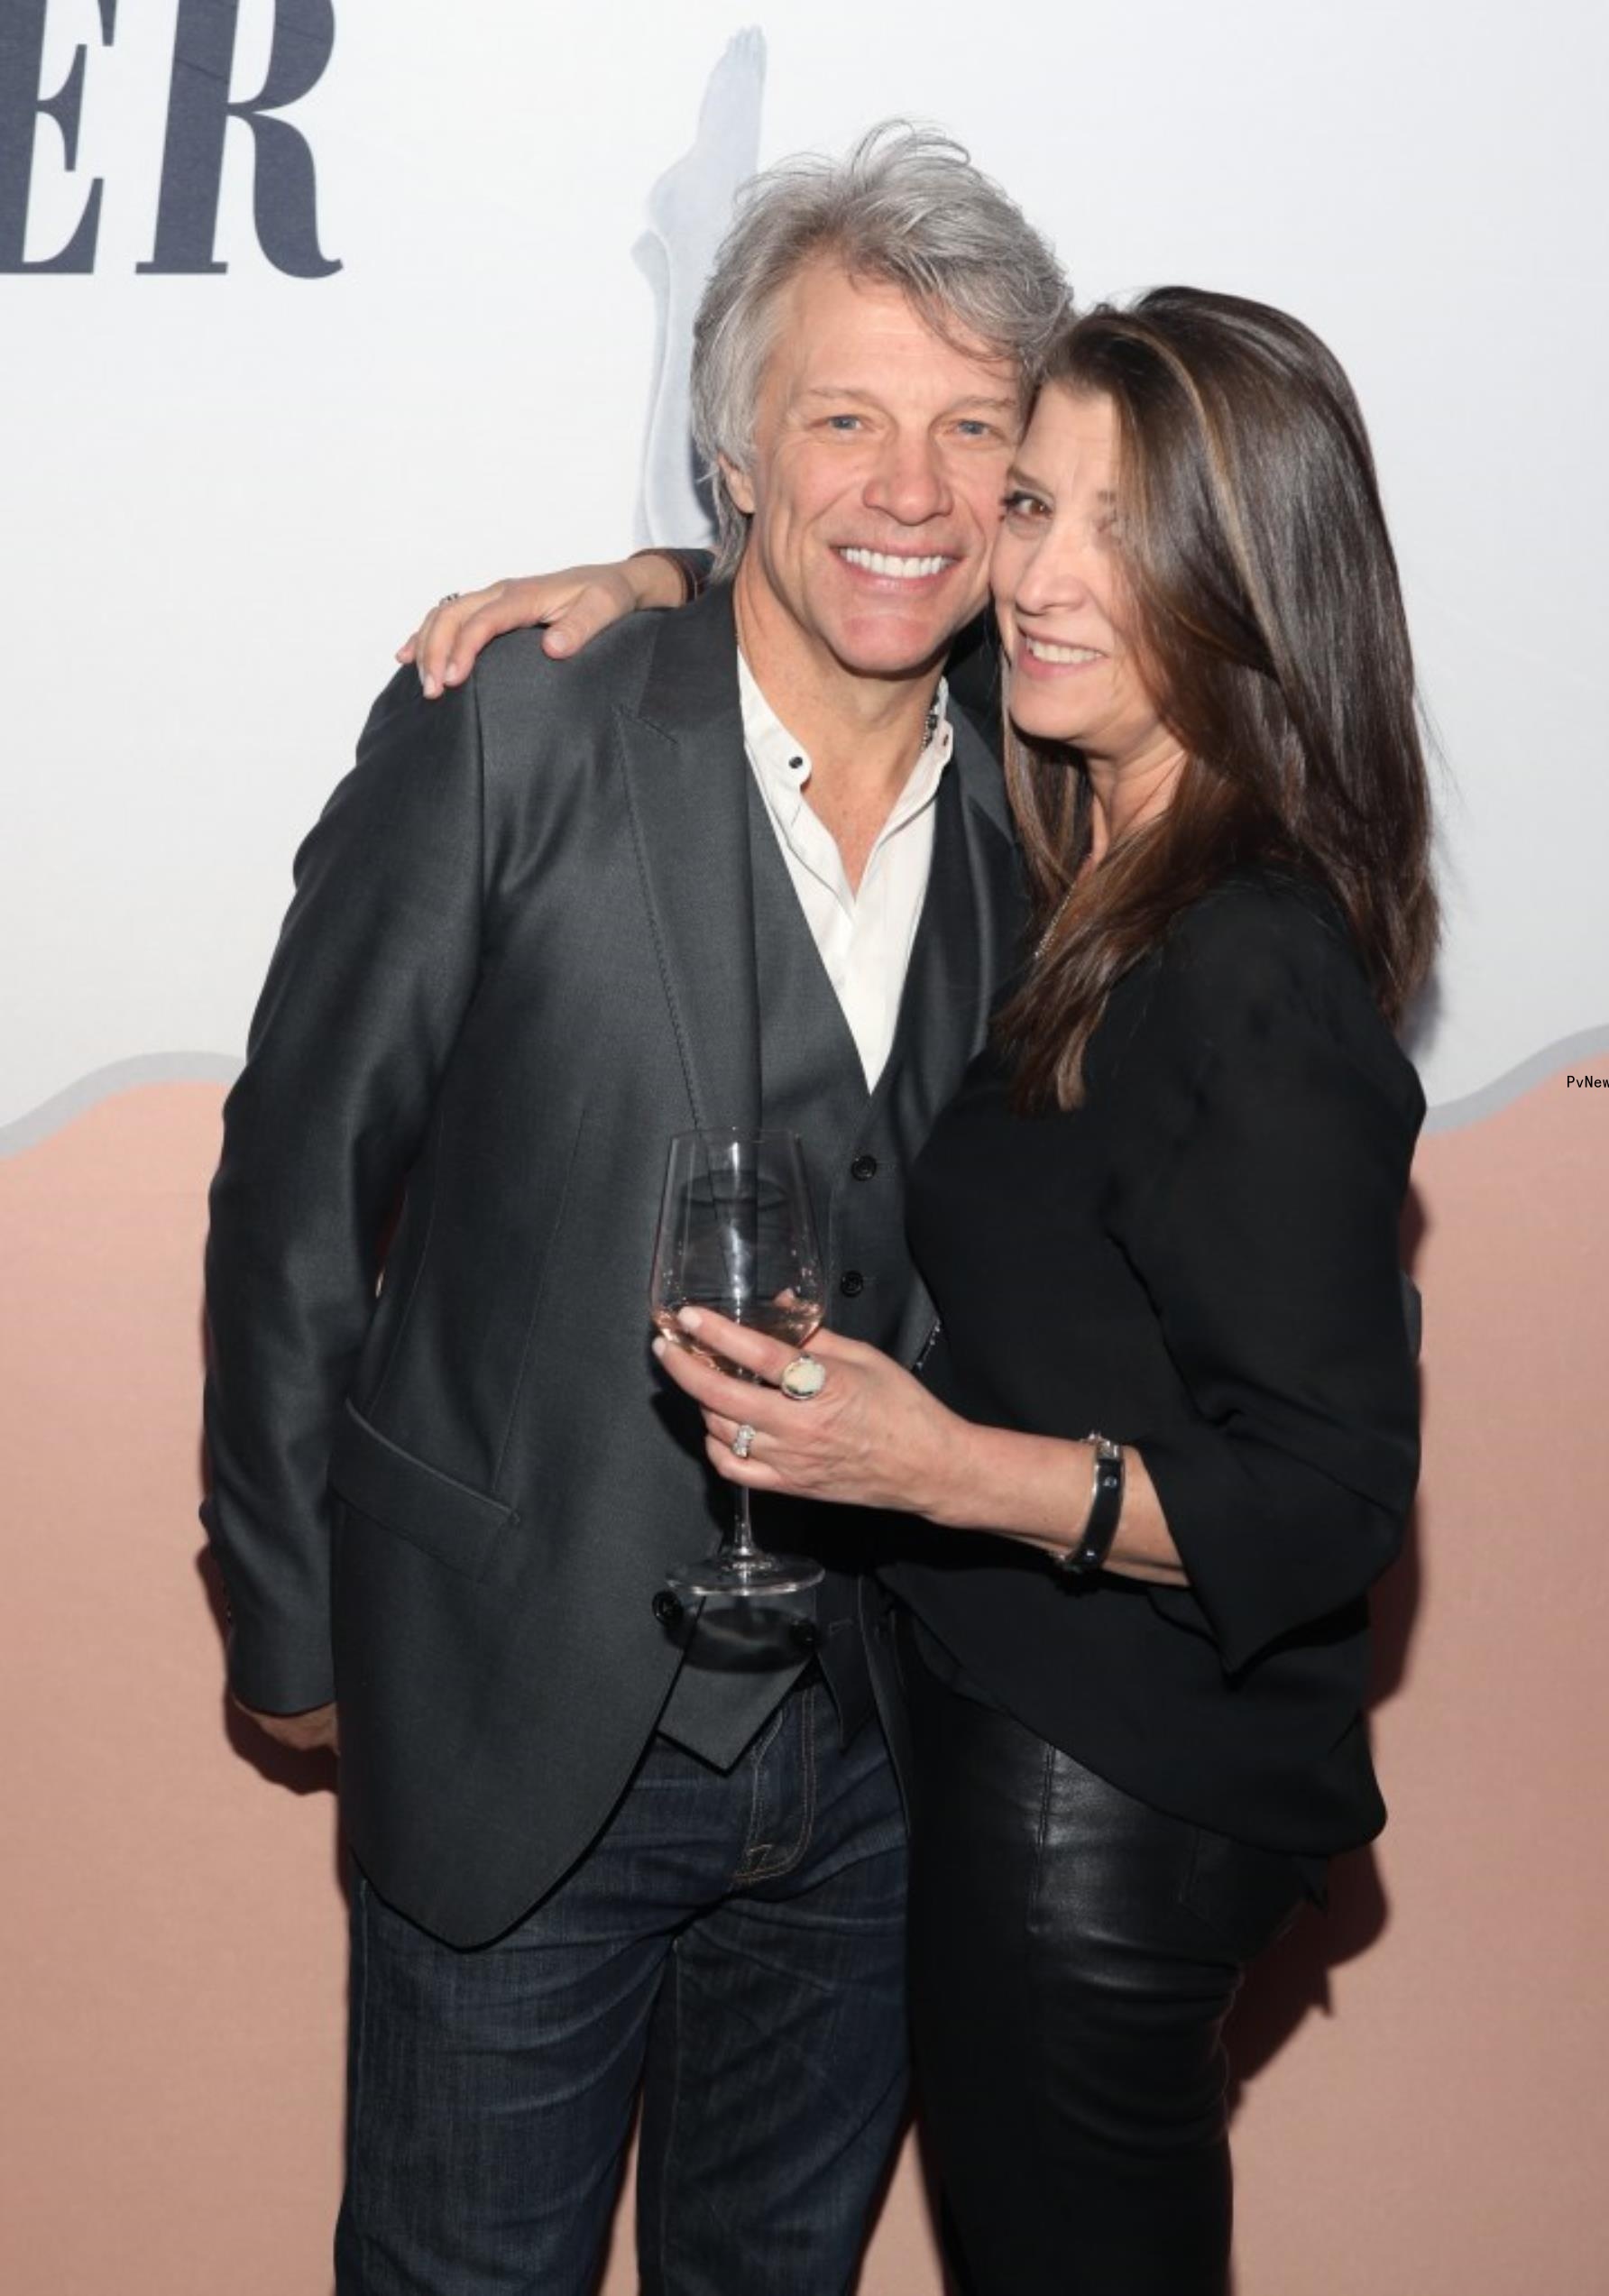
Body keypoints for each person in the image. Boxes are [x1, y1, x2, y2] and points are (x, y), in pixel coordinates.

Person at [451, 289, 1435, 2293]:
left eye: (1113, 530)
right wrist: (661, 582)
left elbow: (1327, 1501)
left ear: (1250, 582)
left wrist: (941, 1468)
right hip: (1021, 1761)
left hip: (1105, 1812)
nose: (1036, 574)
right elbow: (835, 607)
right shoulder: (1088, 845)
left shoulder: (1248, 955)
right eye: (1031, 500)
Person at [200, 124, 1071, 2294]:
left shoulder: (1053, 814)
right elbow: (299, 1179)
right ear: (735, 462)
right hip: (510, 1715)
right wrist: (295, 1629)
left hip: (876, 1758)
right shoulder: (517, 726)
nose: (910, 488)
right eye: (845, 418)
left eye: (977, 431)